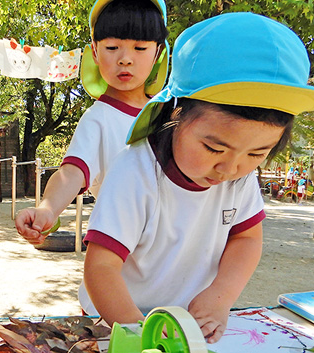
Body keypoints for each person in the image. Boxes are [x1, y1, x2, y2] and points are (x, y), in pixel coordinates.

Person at [80, 12, 314, 343]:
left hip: (186, 326)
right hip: (116, 321)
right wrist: (140, 332)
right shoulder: (135, 171)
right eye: (213, 148)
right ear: (176, 112)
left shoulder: (239, 177)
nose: (230, 169)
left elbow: (246, 239)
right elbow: (101, 267)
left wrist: (220, 298)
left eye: (256, 153)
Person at [15, 0, 169, 242]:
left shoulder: (171, 113)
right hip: (121, 254)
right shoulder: (99, 119)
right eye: (112, 47)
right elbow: (73, 172)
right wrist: (47, 209)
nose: (125, 59)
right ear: (95, 52)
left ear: (158, 53)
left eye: (140, 48)